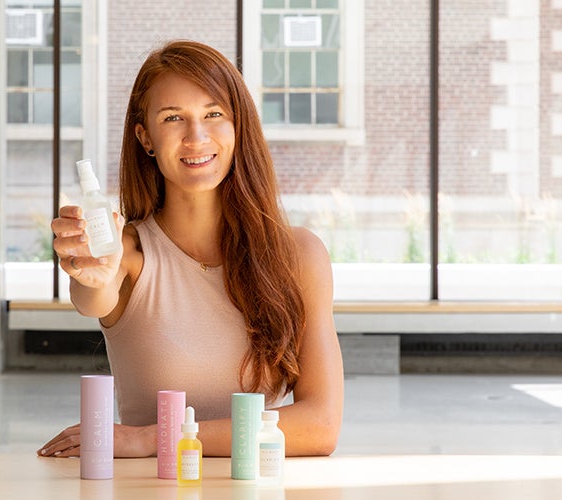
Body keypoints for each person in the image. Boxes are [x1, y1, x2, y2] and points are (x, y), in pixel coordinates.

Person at [38, 40, 343, 458]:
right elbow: (93, 294)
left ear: (238, 126)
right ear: (145, 137)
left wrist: (153, 438)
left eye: (213, 114)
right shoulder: (125, 254)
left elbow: (321, 425)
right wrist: (91, 274)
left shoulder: (299, 255)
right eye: (173, 118)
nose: (196, 136)